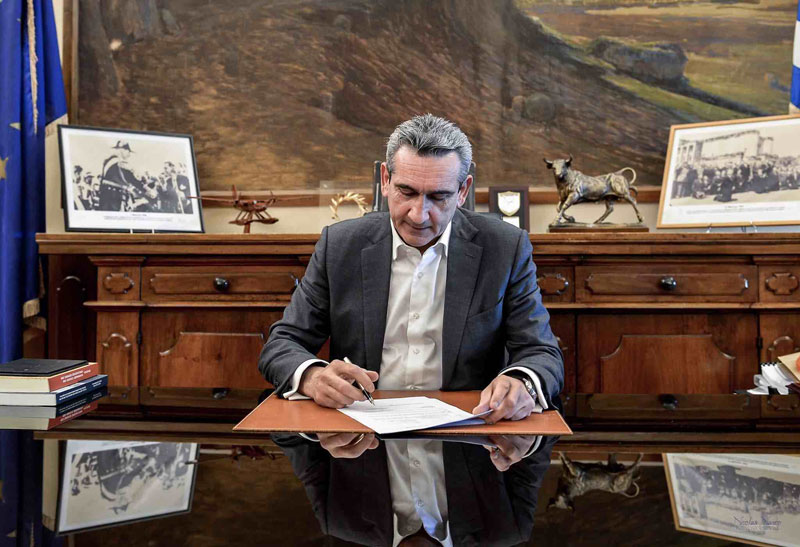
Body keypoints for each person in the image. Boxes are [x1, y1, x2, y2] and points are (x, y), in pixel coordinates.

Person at [258, 114, 563, 544]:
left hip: (471, 447)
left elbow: (542, 353)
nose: (420, 214)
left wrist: (522, 382)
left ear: (463, 190)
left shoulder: (504, 247)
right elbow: (282, 344)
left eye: (439, 196)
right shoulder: (340, 245)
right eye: (407, 192)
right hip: (360, 442)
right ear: (385, 180)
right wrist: (311, 376)